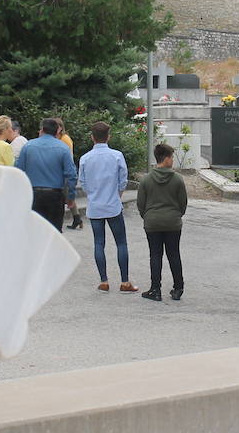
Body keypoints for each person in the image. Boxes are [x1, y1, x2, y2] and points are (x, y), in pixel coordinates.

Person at [78, 121, 135, 293]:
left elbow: (84, 182)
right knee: (121, 243)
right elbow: (123, 179)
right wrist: (118, 194)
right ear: (108, 136)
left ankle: (104, 280)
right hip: (113, 205)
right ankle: (125, 281)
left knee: (98, 243)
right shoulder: (117, 156)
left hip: (95, 206)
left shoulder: (85, 158)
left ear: (92, 137)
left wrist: (92, 195)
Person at [136, 142, 188, 302]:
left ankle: (155, 289)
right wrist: (176, 215)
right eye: (171, 157)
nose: (172, 160)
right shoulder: (178, 180)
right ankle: (178, 288)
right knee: (174, 254)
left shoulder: (146, 180)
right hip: (173, 222)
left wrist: (148, 216)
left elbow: (141, 203)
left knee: (155, 255)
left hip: (152, 222)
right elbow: (183, 203)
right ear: (165, 159)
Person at [15, 118, 77, 231]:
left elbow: (18, 170)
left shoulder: (28, 146)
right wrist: (70, 197)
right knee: (55, 233)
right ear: (57, 132)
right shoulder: (63, 149)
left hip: (33, 194)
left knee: (33, 232)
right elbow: (71, 175)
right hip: (55, 196)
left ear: (42, 130)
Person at [54, 117, 84, 230]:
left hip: (65, 170)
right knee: (67, 196)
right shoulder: (58, 138)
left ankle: (74, 219)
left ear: (60, 127)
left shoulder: (65, 139)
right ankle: (77, 218)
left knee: (65, 196)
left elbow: (67, 156)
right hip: (61, 170)